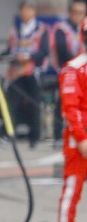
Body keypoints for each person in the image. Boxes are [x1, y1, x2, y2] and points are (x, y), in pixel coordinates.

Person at [57, 18, 87, 222]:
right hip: (80, 141)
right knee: (72, 191)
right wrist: (81, 138)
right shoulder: (74, 69)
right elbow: (71, 107)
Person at [2, 1, 49, 149]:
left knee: (34, 105)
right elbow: (10, 49)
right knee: (11, 103)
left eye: (28, 10)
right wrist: (2, 55)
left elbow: (44, 51)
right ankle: (9, 134)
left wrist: (29, 57)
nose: (25, 13)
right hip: (16, 73)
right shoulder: (15, 29)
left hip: (33, 72)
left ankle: (34, 137)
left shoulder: (41, 30)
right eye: (23, 10)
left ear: (33, 11)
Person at [51, 0, 86, 141]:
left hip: (83, 72)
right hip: (68, 72)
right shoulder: (62, 28)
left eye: (82, 13)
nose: (78, 15)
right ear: (70, 13)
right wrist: (79, 62)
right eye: (76, 12)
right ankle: (57, 136)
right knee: (65, 104)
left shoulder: (84, 27)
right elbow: (62, 51)